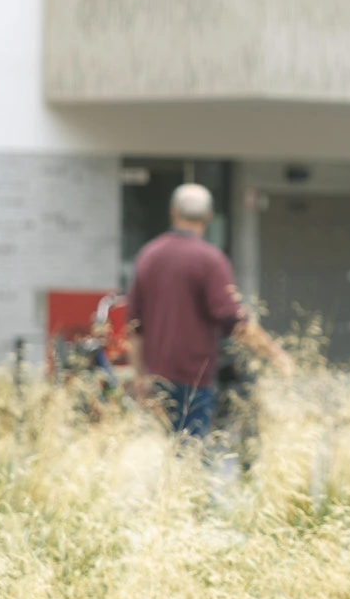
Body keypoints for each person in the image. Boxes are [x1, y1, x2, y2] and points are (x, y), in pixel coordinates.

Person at [124, 183, 290, 438]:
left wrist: (140, 377)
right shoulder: (210, 260)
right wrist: (276, 355)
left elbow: (134, 325)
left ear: (173, 212)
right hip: (194, 379)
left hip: (156, 377)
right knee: (194, 458)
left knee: (168, 456)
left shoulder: (149, 255)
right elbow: (234, 321)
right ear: (208, 217)